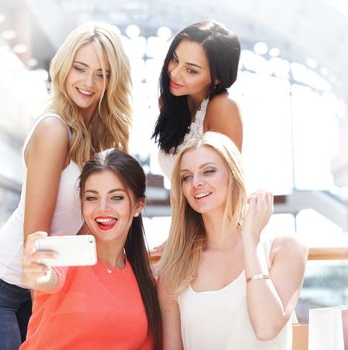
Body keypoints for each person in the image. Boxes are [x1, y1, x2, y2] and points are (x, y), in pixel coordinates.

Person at [0, 22, 132, 350]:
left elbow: (88, 234)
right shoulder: (54, 129)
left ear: (113, 81)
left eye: (101, 73)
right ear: (64, 67)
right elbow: (34, 240)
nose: (88, 82)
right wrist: (50, 313)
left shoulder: (99, 141)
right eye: (80, 68)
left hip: (37, 283)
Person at [157, 132, 307, 350]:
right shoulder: (175, 268)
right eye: (186, 177)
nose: (196, 182)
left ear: (233, 175)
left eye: (208, 171)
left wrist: (250, 239)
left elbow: (266, 327)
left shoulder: (285, 249)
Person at [20, 149, 162, 349]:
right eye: (92, 198)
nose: (103, 208)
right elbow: (48, 278)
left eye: (116, 197)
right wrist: (37, 274)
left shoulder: (145, 281)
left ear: (138, 206)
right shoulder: (65, 251)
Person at [152, 20, 243, 181]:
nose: (174, 74)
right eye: (174, 59)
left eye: (191, 70)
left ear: (217, 79)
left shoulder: (223, 107)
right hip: (183, 206)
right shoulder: (169, 104)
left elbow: (228, 183)